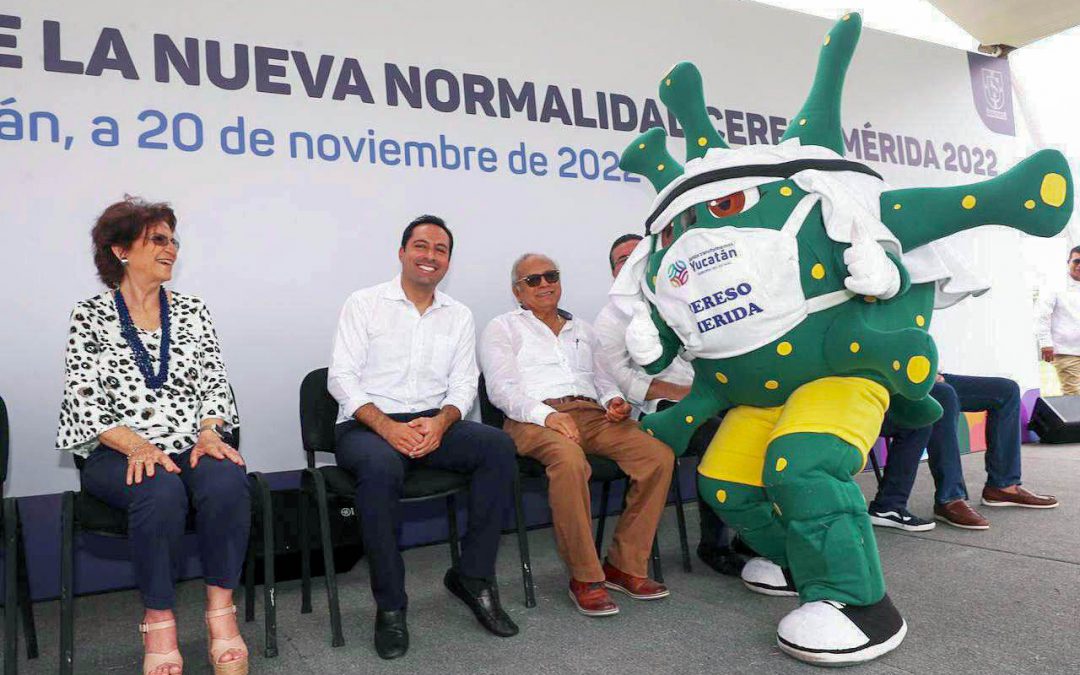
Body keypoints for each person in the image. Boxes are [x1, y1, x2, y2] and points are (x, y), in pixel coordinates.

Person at [56, 198, 249, 675]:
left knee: (226, 478)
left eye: (173, 240)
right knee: (158, 490)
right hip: (116, 451)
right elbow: (83, 400)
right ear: (121, 250)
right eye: (158, 239)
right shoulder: (90, 315)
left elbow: (214, 382)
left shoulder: (193, 310)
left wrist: (209, 433)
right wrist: (139, 445)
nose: (171, 249)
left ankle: (220, 618)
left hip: (189, 443)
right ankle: (159, 623)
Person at [328, 215, 519, 660]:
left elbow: (464, 385)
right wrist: (388, 427)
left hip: (432, 423)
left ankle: (472, 577)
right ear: (402, 253)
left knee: (497, 447)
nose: (430, 256)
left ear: (448, 261)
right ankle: (391, 605)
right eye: (421, 246)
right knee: (379, 467)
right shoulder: (364, 303)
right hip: (366, 425)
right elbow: (341, 378)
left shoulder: (459, 315)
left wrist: (441, 422)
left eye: (440, 250)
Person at [480, 252, 674, 617]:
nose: (544, 284)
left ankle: (625, 565)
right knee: (570, 462)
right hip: (532, 419)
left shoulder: (583, 329)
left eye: (550, 276)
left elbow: (602, 380)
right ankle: (585, 577)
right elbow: (501, 390)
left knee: (658, 457)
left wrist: (615, 401)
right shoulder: (502, 327)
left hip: (592, 414)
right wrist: (548, 416)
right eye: (533, 280)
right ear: (517, 292)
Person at [593, 234, 742, 575]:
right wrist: (687, 394)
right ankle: (714, 544)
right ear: (614, 273)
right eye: (621, 259)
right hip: (655, 409)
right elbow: (625, 382)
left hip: (707, 394)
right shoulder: (610, 319)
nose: (630, 263)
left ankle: (752, 535)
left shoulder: (685, 301)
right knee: (718, 438)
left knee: (759, 423)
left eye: (638, 256)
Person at [869, 373, 1058, 532]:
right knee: (943, 394)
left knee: (1006, 390)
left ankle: (1002, 486)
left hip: (921, 374)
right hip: (888, 380)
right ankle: (950, 498)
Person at [1036, 246, 1080, 395]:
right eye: (1077, 261)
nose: (1079, 265)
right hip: (1067, 351)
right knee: (1074, 394)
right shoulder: (1054, 285)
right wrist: (1045, 343)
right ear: (1068, 262)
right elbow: (1042, 316)